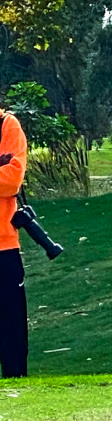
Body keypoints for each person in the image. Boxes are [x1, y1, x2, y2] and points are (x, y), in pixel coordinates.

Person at [0, 109, 28, 378]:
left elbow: (11, 180)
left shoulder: (7, 126)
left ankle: (17, 385)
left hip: (3, 247)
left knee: (11, 330)